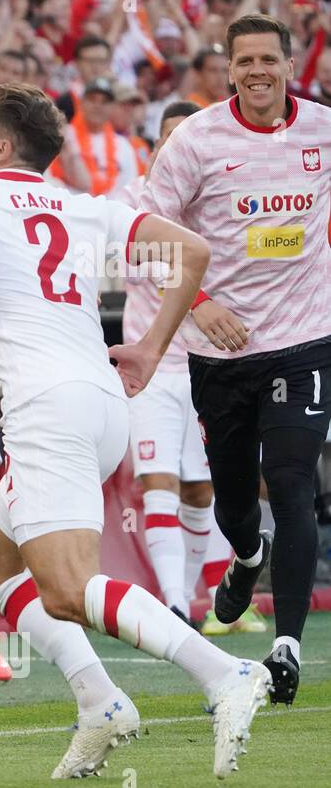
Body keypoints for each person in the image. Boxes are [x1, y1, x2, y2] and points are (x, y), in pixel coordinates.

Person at [0, 82, 271, 779]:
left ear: (2, 146)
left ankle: (223, 672)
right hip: (103, 399)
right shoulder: (84, 205)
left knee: (68, 590)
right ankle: (100, 702)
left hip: (47, 405)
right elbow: (191, 250)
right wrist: (153, 347)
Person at [141, 14, 331, 706]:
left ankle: (285, 648)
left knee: (292, 483)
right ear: (228, 68)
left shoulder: (321, 129)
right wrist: (199, 306)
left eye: (268, 60)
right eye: (244, 60)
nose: (257, 71)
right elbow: (145, 235)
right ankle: (245, 557)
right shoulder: (194, 140)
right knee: (233, 502)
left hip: (306, 339)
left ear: (289, 63)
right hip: (220, 353)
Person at [113, 99, 258, 635]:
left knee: (201, 491)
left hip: (207, 364)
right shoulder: (129, 204)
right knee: (158, 481)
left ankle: (191, 596)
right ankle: (172, 603)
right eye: (170, 139)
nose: (180, 149)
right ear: (155, 147)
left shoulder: (222, 201)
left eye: (189, 139)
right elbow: (141, 261)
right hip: (149, 365)